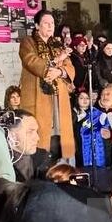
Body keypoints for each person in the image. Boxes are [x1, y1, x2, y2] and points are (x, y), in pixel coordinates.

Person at [18, 10, 76, 163]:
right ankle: (40, 168)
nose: (50, 26)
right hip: (38, 96)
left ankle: (62, 168)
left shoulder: (57, 44)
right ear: (37, 25)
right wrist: (58, 60)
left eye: (52, 23)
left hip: (58, 96)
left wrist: (60, 71)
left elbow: (70, 68)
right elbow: (31, 62)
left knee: (60, 134)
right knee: (41, 136)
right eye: (46, 23)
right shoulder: (28, 42)